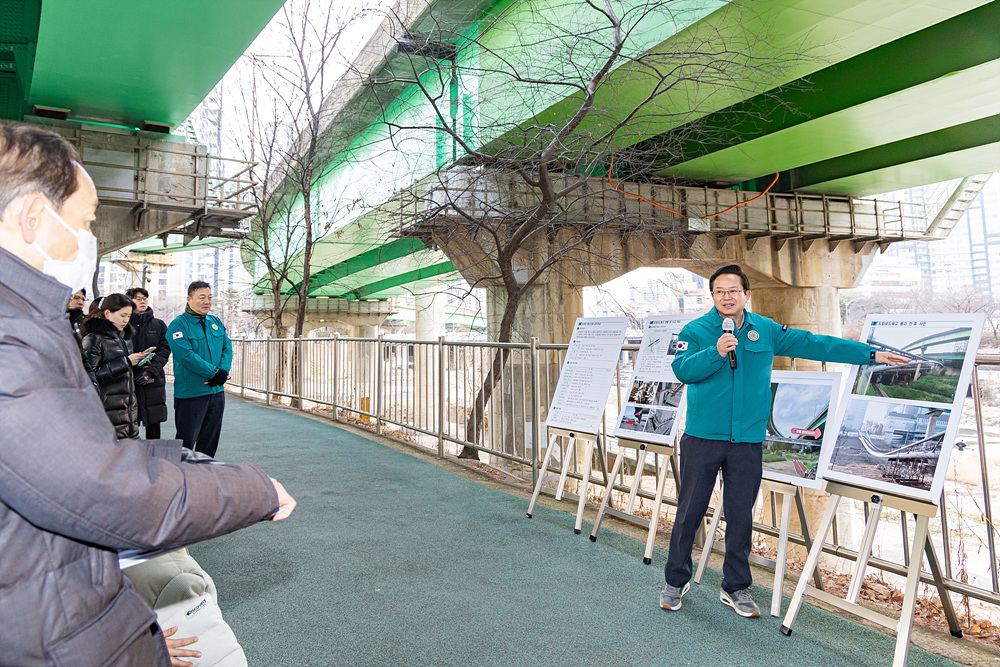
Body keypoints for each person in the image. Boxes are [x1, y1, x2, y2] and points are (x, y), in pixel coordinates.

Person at [0, 120, 296, 666]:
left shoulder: (26, 319)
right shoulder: (11, 333)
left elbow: (73, 454)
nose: (88, 239)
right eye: (86, 222)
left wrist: (183, 460)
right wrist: (255, 489)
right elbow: (103, 490)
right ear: (32, 217)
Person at [658, 264, 908, 618]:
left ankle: (736, 587)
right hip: (703, 438)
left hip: (746, 440)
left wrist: (869, 354)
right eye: (719, 291)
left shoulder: (766, 329)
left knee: (741, 516)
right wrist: (716, 350)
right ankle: (675, 581)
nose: (726, 297)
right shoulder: (695, 330)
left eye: (733, 290)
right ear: (712, 296)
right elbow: (682, 370)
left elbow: (815, 344)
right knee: (689, 512)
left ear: (747, 294)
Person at [168, 281, 231, 458]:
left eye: (210, 297)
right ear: (189, 299)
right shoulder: (178, 326)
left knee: (210, 440)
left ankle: (205, 477)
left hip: (216, 392)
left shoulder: (215, 322)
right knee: (185, 442)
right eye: (201, 297)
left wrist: (223, 372)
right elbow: (186, 356)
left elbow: (227, 346)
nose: (207, 301)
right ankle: (179, 477)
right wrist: (214, 373)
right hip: (191, 393)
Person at [82, 293, 144, 440]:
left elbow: (125, 372)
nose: (126, 320)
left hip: (128, 413)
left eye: (129, 316)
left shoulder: (124, 338)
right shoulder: (93, 338)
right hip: (105, 414)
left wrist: (138, 364)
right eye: (122, 315)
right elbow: (89, 377)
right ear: (107, 313)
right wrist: (126, 362)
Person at [127, 286, 171, 440]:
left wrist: (152, 370)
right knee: (128, 422)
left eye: (145, 298)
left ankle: (154, 458)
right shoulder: (123, 324)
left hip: (153, 378)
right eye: (138, 298)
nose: (142, 301)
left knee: (153, 422)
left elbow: (164, 350)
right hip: (128, 377)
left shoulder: (158, 325)